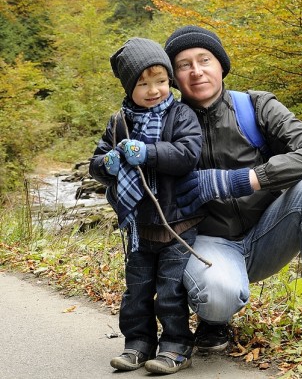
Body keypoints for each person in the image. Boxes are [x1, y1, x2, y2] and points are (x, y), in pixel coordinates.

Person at [164, 25, 302, 351]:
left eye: (204, 60)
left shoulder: (255, 107)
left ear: (221, 65)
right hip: (210, 243)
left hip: (268, 233)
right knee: (217, 296)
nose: (196, 71)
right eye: (184, 65)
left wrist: (245, 179)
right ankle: (213, 319)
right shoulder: (166, 125)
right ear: (174, 77)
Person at [89, 38, 254, 374]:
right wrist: (107, 163)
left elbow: (186, 156)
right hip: (138, 227)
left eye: (161, 81)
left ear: (170, 82)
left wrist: (149, 153)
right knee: (136, 293)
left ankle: (176, 346)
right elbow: (96, 162)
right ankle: (137, 344)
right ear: (128, 87)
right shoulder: (119, 121)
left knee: (170, 291)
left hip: (178, 223)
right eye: (144, 84)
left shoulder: (180, 115)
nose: (154, 90)